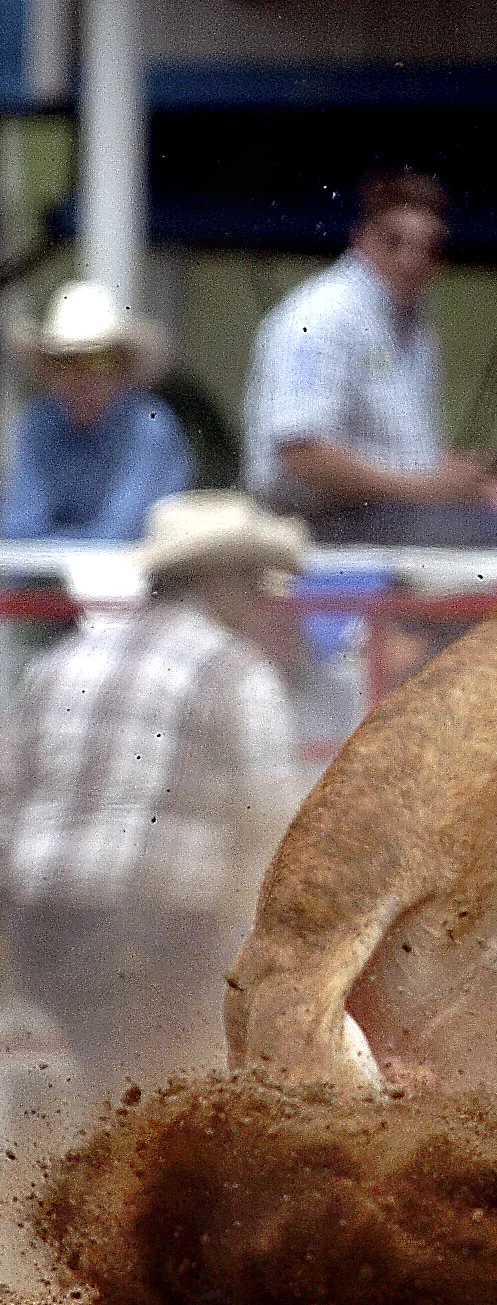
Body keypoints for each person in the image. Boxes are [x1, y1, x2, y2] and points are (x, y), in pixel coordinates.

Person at [0, 491, 305, 1096]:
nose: (261, 602)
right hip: (156, 930)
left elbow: (13, 792)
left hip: (36, 921)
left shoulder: (64, 661)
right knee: (168, 1082)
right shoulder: (236, 673)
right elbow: (269, 827)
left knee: (98, 1071)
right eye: (253, 584)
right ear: (219, 583)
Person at [243, 170, 497, 548]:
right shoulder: (322, 316)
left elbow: (401, 455)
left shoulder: (411, 324)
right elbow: (301, 456)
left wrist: (472, 482)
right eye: (394, 242)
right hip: (314, 525)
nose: (411, 260)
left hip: (384, 518)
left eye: (429, 248)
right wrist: (429, 487)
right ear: (361, 238)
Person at [2, 281, 194, 541]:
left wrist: (49, 545)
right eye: (65, 361)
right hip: (46, 577)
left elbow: (122, 535)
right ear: (49, 371)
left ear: (122, 368)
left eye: (97, 360)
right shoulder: (39, 422)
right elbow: (20, 526)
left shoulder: (149, 426)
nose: (80, 377)